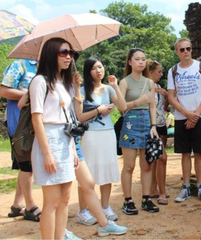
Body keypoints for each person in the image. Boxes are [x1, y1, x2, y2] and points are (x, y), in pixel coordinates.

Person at [28, 37, 80, 239]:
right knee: (51, 201)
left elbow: (69, 116)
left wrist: (73, 149)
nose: (69, 57)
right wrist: (47, 153)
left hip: (65, 140)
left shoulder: (63, 83)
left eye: (71, 53)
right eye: (63, 52)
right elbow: (36, 119)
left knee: (65, 198)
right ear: (51, 54)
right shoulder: (40, 81)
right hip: (48, 139)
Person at [72, 57, 128, 235]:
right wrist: (98, 110)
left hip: (108, 133)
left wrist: (116, 86)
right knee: (87, 173)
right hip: (90, 135)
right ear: (88, 71)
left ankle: (105, 207)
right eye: (94, 68)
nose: (99, 71)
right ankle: (83, 210)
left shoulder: (109, 89)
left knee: (107, 170)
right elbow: (79, 117)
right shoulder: (81, 90)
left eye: (100, 67)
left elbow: (123, 107)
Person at [167, 38, 201, 203]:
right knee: (185, 153)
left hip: (200, 115)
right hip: (182, 116)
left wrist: (196, 114)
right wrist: (187, 113)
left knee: (199, 152)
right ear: (177, 52)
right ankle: (186, 186)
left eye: (188, 48)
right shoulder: (173, 71)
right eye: (182, 49)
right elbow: (171, 97)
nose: (186, 52)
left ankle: (200, 185)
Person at [0, 59, 42, 222]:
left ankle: (17, 205)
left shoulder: (44, 65)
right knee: (27, 165)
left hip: (35, 121)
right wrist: (31, 94)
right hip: (20, 122)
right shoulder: (20, 65)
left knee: (25, 165)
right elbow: (4, 91)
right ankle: (30, 207)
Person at [119, 48, 159, 215]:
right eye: (137, 59)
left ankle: (146, 198)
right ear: (130, 62)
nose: (141, 62)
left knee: (147, 165)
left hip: (146, 124)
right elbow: (121, 108)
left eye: (143, 59)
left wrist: (154, 126)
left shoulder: (149, 83)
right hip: (130, 124)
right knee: (129, 166)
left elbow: (152, 107)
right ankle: (128, 200)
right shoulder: (124, 82)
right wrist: (138, 101)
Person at [146, 60, 170, 205]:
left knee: (157, 159)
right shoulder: (145, 87)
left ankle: (154, 188)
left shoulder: (159, 87)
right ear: (150, 72)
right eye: (159, 71)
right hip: (151, 125)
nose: (161, 74)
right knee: (162, 158)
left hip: (161, 123)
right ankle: (162, 192)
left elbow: (165, 108)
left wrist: (166, 96)